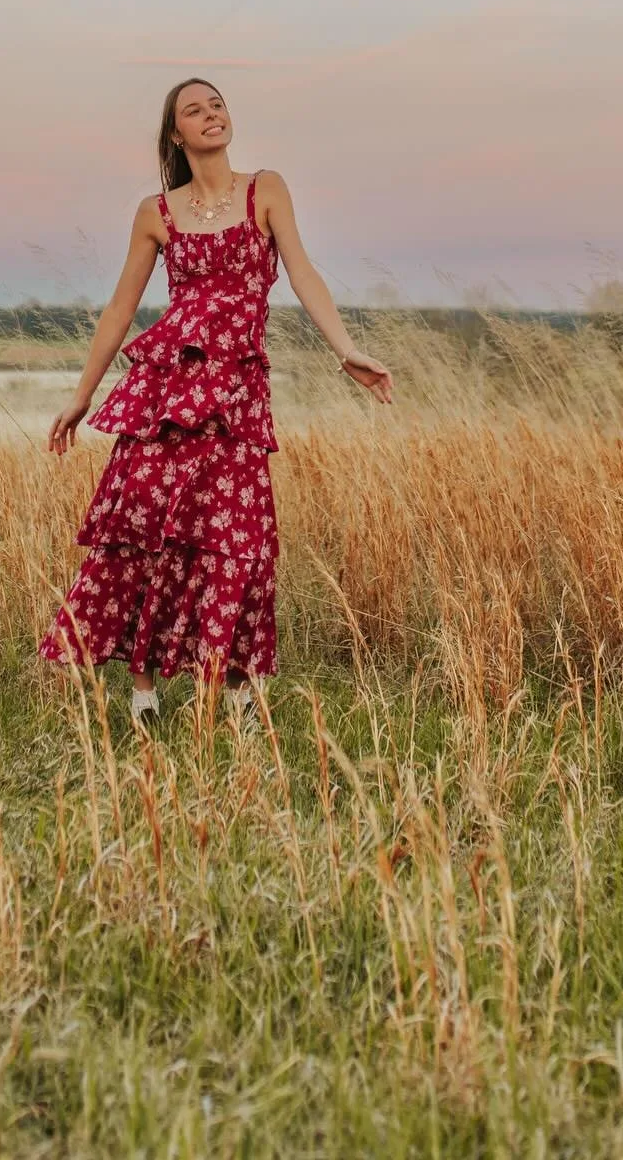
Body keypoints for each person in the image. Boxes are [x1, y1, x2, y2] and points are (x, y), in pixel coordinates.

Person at [39, 77, 393, 726]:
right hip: (165, 395)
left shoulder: (266, 190)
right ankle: (144, 693)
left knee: (239, 542)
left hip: (235, 399)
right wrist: (81, 396)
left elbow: (304, 271)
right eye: (195, 111)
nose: (211, 116)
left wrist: (346, 349)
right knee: (148, 531)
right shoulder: (157, 212)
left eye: (218, 105)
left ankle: (235, 691)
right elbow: (121, 308)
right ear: (177, 134)